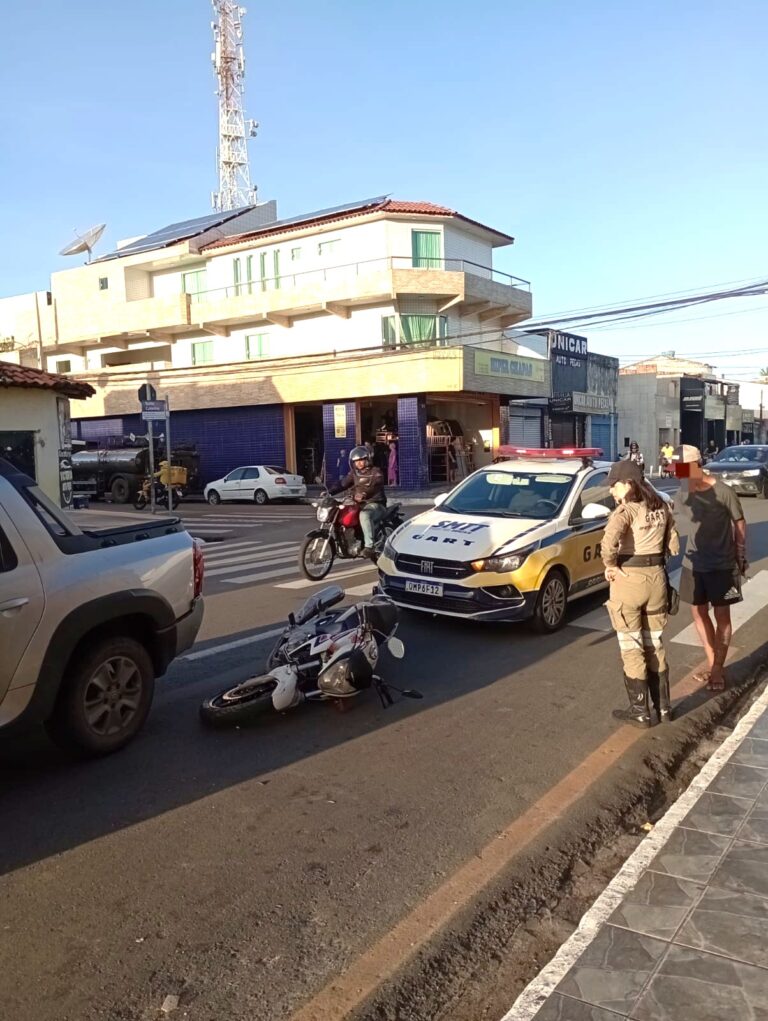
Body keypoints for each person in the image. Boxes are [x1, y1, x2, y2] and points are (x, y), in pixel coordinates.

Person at [602, 459, 680, 728]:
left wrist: (610, 565)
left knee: (631, 647)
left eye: (614, 485)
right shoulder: (662, 508)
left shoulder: (625, 511)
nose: (611, 490)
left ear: (628, 484)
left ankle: (640, 712)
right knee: (655, 643)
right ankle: (664, 708)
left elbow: (608, 543)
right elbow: (673, 546)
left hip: (629, 581)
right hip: (657, 579)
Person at [672, 444, 748, 692]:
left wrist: (740, 554)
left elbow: (739, 522)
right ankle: (713, 661)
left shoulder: (724, 492)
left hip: (723, 566)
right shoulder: (684, 491)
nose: (677, 474)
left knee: (722, 616)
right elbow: (670, 513)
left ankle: (717, 669)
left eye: (681, 468)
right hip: (693, 564)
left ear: (695, 466)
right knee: (698, 612)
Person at [331, 444, 386, 557]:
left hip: (375, 503)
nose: (359, 463)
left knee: (364, 515)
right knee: (344, 513)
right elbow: (343, 483)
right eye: (356, 461)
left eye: (361, 460)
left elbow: (375, 485)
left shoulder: (376, 472)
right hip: (359, 504)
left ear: (367, 459)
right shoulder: (354, 473)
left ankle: (369, 546)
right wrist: (329, 492)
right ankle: (348, 541)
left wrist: (365, 494)